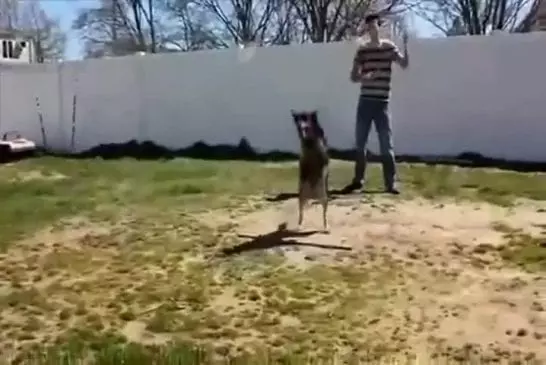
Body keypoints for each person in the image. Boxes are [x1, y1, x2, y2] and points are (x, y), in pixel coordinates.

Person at [342, 13, 409, 195]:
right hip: (365, 102)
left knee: (386, 144)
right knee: (360, 143)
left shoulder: (389, 47)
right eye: (369, 26)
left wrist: (406, 45)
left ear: (379, 27)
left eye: (374, 26)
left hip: (382, 104)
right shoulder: (362, 50)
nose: (372, 29)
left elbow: (404, 64)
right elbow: (353, 77)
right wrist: (365, 76)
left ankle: (390, 183)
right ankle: (358, 181)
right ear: (367, 28)